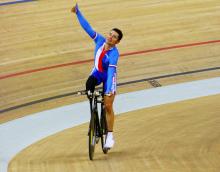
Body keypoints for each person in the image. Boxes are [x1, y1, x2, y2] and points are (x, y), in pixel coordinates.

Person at [71, 3, 123, 148]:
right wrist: (78, 13)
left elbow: (111, 71)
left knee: (107, 105)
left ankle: (110, 136)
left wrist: (108, 90)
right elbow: (87, 28)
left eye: (114, 37)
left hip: (108, 77)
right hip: (97, 73)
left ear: (117, 41)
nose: (111, 37)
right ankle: (94, 117)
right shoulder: (99, 40)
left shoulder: (114, 54)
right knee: (88, 85)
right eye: (110, 34)